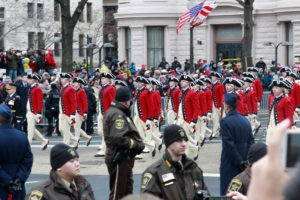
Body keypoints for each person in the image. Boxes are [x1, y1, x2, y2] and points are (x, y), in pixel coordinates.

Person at [141, 124, 208, 199]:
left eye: (185, 140)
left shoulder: (194, 169)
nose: (184, 144)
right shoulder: (154, 172)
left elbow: (206, 195)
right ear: (169, 143)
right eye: (179, 140)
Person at [104, 87, 145, 200]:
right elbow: (117, 138)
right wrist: (134, 144)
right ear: (126, 101)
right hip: (119, 156)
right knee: (118, 192)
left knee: (127, 190)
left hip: (123, 157)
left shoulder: (118, 112)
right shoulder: (118, 115)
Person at [25, 143, 95, 200]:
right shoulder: (42, 192)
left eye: (77, 160)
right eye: (72, 161)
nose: (77, 164)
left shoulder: (83, 184)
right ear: (59, 167)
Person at [220, 93, 254, 195]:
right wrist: (246, 161)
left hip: (230, 163)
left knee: (229, 192)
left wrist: (239, 161)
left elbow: (229, 145)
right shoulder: (245, 120)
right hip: (245, 162)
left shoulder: (225, 121)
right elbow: (251, 142)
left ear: (226, 105)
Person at [0, 104, 33, 200]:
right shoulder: (22, 136)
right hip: (18, 186)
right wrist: (19, 179)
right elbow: (27, 161)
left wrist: (7, 181)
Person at [95, 72, 116, 157]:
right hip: (101, 112)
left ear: (108, 79)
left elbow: (112, 102)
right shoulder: (102, 88)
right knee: (101, 131)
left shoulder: (110, 88)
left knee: (105, 132)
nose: (101, 80)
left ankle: (104, 150)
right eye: (101, 78)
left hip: (107, 113)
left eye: (103, 78)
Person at [26, 73, 49, 150]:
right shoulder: (31, 88)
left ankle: (27, 146)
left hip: (34, 112)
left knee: (30, 129)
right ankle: (44, 141)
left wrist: (39, 113)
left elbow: (40, 102)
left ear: (34, 80)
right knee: (32, 129)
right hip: (30, 111)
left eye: (30, 79)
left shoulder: (37, 88)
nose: (29, 80)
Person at [59, 73, 80, 148]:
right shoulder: (62, 88)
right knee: (61, 129)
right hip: (62, 112)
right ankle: (75, 140)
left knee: (65, 130)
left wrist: (73, 114)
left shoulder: (70, 88)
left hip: (67, 113)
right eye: (61, 79)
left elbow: (73, 102)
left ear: (67, 80)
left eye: (63, 79)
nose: (61, 80)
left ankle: (65, 146)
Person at [72, 77, 92, 146]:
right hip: (75, 112)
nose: (74, 84)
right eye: (74, 83)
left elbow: (85, 102)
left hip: (79, 112)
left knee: (76, 128)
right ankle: (88, 137)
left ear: (79, 84)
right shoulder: (74, 91)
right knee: (76, 127)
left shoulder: (81, 91)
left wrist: (85, 112)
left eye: (76, 83)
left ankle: (75, 143)